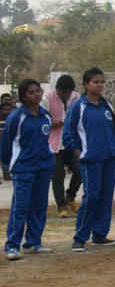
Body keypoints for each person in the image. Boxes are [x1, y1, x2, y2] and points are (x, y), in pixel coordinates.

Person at [63, 67, 115, 251]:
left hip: (110, 158)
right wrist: (79, 153)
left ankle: (100, 234)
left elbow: (114, 129)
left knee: (106, 197)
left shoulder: (107, 105)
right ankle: (80, 237)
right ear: (85, 84)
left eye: (101, 82)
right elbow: (69, 132)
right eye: (95, 82)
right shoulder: (79, 106)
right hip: (91, 160)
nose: (99, 85)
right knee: (92, 196)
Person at [3, 80, 55, 260]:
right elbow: (7, 143)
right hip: (23, 168)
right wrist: (10, 165)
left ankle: (33, 242)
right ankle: (12, 245)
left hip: (43, 167)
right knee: (20, 206)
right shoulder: (16, 117)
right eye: (32, 92)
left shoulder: (46, 116)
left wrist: (49, 160)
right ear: (24, 96)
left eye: (38, 91)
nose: (37, 95)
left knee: (39, 206)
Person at [43, 74, 81, 219]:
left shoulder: (76, 98)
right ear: (57, 89)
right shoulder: (47, 99)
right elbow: (44, 123)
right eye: (63, 92)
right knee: (57, 176)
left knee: (79, 171)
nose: (66, 95)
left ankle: (70, 196)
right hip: (54, 144)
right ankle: (61, 207)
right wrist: (61, 122)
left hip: (71, 142)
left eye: (68, 92)